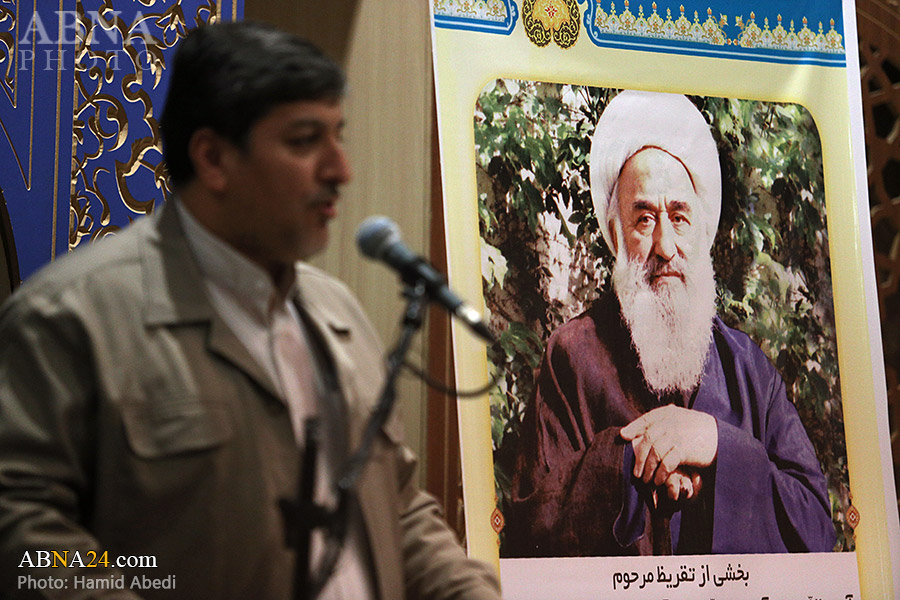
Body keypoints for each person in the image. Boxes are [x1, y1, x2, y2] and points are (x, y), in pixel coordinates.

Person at [0, 21, 501, 600]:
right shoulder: (69, 319)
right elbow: (24, 534)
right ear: (213, 158)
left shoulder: (336, 311)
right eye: (305, 141)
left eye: (338, 136)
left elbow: (399, 506)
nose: (340, 170)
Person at [503, 90, 836, 557]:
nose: (664, 244)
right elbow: (530, 531)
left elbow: (816, 528)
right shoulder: (572, 356)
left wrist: (715, 443)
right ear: (616, 234)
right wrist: (630, 462)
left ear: (702, 231)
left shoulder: (748, 369)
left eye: (679, 217)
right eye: (644, 219)